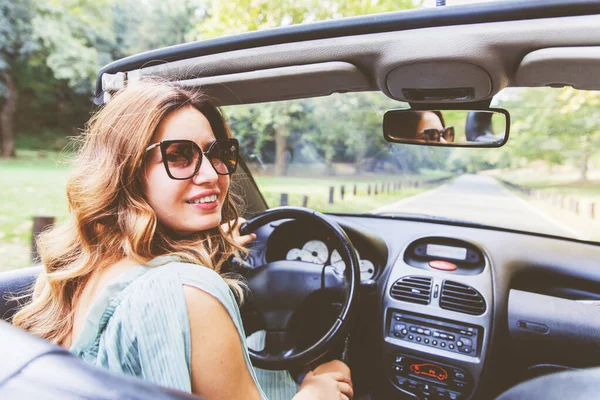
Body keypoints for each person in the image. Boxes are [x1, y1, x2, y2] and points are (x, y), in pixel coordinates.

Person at [12, 80, 353, 400]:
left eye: (216, 152)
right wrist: (314, 392)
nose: (210, 174)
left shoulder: (79, 269)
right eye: (178, 155)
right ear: (126, 170)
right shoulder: (189, 292)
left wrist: (211, 249)